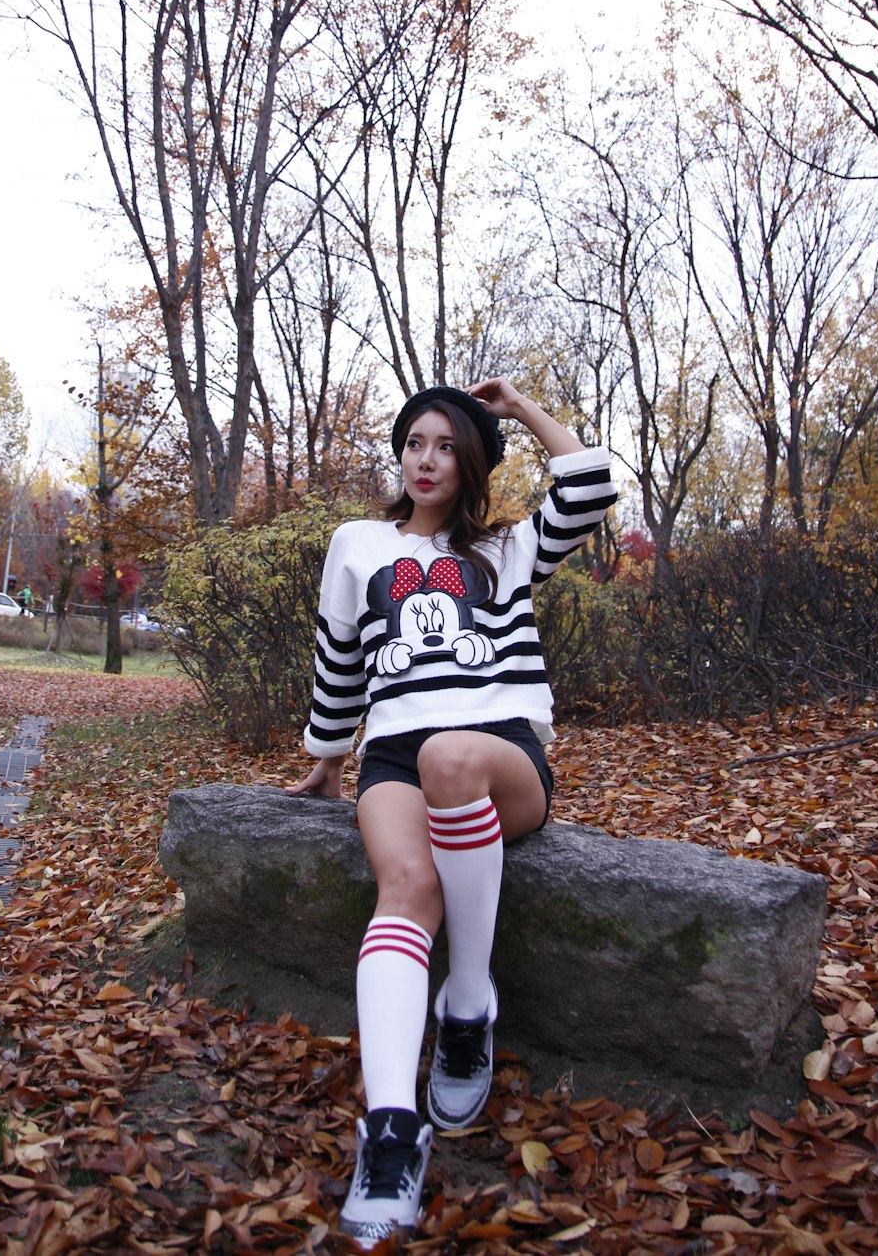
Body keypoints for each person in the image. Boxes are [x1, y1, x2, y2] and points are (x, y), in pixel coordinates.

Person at [287, 378, 617, 1248]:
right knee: (403, 886)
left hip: (496, 750)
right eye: (414, 443)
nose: (426, 459)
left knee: (451, 754)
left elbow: (590, 480)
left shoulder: (507, 550)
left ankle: (467, 1002)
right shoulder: (357, 544)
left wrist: (515, 409)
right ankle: (391, 1136)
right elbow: (340, 661)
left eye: (445, 445)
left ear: (470, 464)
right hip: (391, 752)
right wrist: (327, 760)